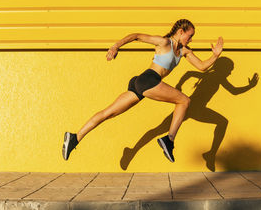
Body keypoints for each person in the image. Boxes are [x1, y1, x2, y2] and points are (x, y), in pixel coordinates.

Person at [62, 19, 224, 163]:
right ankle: (169, 140)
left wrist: (215, 56)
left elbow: (202, 67)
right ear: (181, 32)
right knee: (184, 101)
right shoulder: (163, 43)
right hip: (148, 80)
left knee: (109, 113)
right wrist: (115, 46)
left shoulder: (184, 51)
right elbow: (137, 36)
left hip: (141, 83)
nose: (191, 39)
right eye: (190, 35)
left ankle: (75, 137)